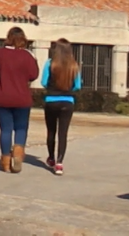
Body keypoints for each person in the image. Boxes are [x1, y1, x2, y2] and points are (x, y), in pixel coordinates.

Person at [0, 26, 39, 173]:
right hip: (22, 97)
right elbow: (33, 75)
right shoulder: (28, 55)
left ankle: (5, 161)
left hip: (3, 96)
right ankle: (18, 151)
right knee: (21, 128)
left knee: (5, 129)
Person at [40, 38, 81, 175]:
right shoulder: (74, 65)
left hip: (51, 100)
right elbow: (77, 86)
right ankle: (59, 163)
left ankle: (51, 157)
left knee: (51, 131)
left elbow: (43, 82)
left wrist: (53, 88)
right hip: (67, 101)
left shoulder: (50, 63)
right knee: (63, 133)